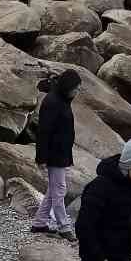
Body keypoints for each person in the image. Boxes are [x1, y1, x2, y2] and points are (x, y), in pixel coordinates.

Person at [30, 68, 80, 238]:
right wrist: (41, 158)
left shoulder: (63, 99)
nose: (77, 92)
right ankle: (64, 227)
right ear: (68, 87)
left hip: (61, 153)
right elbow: (43, 132)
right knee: (59, 189)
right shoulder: (52, 102)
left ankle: (39, 223)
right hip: (54, 154)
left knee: (54, 189)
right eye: (76, 88)